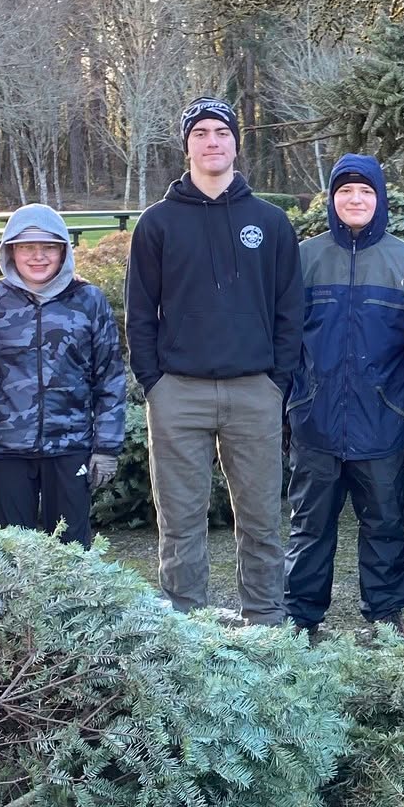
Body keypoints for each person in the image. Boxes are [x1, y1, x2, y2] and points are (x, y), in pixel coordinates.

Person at [127, 97, 303, 621]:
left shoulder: (269, 222)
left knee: (261, 517)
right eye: (200, 133)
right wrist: (153, 382)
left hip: (254, 390)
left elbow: (289, 308)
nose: (212, 141)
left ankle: (266, 620)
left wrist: (277, 381)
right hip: (178, 392)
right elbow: (140, 312)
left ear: (235, 143)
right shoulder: (157, 224)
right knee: (180, 518)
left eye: (221, 132)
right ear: (187, 145)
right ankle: (185, 622)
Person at [283, 155, 404, 635]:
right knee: (309, 527)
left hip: (383, 418)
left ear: (380, 199)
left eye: (365, 191)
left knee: (386, 526)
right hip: (315, 420)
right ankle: (302, 618)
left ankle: (386, 616)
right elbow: (284, 342)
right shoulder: (304, 258)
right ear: (331, 199)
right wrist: (286, 407)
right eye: (345, 191)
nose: (355, 200)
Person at [0, 206, 126, 548]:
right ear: (10, 250)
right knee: (11, 552)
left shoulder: (89, 300)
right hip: (5, 447)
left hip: (70, 446)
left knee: (71, 550)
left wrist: (107, 446)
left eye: (48, 247)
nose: (38, 256)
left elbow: (110, 376)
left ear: (63, 250)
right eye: (26, 247)